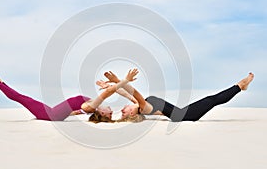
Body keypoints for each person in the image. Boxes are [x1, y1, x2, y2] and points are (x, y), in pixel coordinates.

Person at [98, 70, 254, 122]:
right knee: (212, 100)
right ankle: (240, 86)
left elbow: (127, 94)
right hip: (187, 116)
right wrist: (119, 80)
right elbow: (135, 93)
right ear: (132, 113)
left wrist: (110, 87)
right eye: (124, 112)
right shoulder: (144, 108)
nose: (123, 108)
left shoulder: (140, 105)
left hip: (183, 112)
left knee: (211, 99)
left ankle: (240, 87)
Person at [0, 68, 138, 121]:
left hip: (48, 115)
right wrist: (110, 85)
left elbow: (107, 93)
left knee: (22, 98)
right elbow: (73, 111)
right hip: (50, 112)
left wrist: (125, 80)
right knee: (25, 98)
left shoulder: (92, 106)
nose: (112, 111)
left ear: (102, 113)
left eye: (109, 114)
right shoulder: (89, 107)